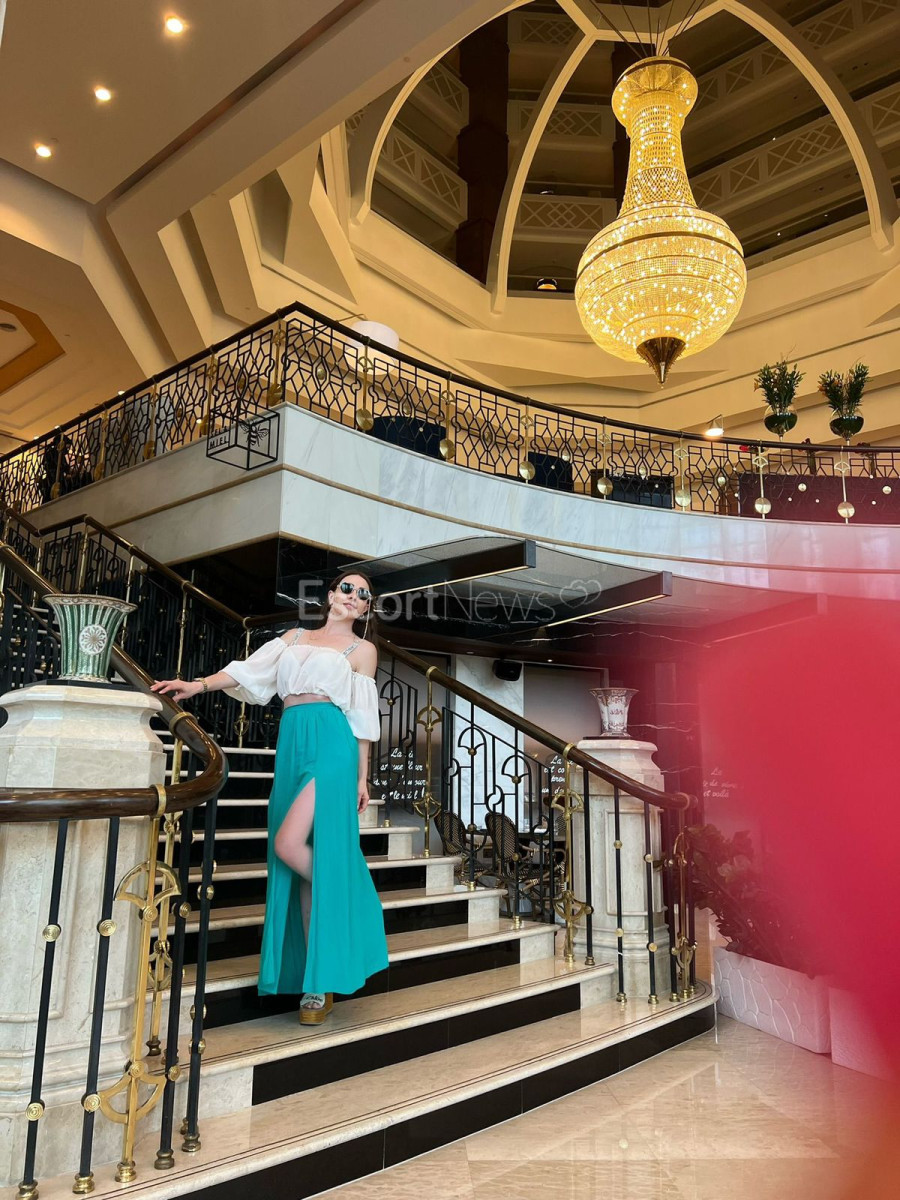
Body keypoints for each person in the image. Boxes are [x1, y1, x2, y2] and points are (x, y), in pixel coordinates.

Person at [151, 571, 387, 1024]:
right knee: (299, 871)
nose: (353, 597)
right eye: (346, 588)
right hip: (292, 741)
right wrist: (197, 685)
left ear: (365, 608)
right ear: (330, 595)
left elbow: (362, 719)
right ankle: (316, 982)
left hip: (332, 744)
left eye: (363, 595)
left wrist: (363, 778)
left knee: (288, 844)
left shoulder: (363, 650)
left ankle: (348, 893)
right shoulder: (294, 637)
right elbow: (247, 672)